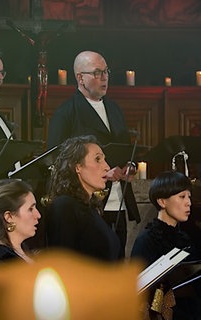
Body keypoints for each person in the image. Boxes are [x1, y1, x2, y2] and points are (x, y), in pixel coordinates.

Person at [47, 50, 140, 257]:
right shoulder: (66, 113)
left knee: (116, 259)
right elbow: (54, 160)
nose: (104, 77)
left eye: (106, 71)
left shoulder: (114, 109)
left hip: (118, 198)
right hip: (86, 203)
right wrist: (102, 173)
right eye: (97, 73)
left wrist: (129, 167)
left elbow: (124, 150)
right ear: (80, 78)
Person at [131, 171, 201, 319]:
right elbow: (138, 295)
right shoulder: (146, 241)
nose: (188, 202)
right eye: (182, 196)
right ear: (162, 202)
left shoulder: (186, 239)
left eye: (189, 196)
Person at [46, 135, 121, 261]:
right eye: (98, 159)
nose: (107, 167)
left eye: (104, 159)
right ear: (77, 167)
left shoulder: (90, 206)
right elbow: (63, 262)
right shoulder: (64, 206)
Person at [0, 179, 41, 264]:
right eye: (30, 209)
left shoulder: (22, 249)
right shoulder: (0, 258)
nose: (38, 215)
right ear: (9, 217)